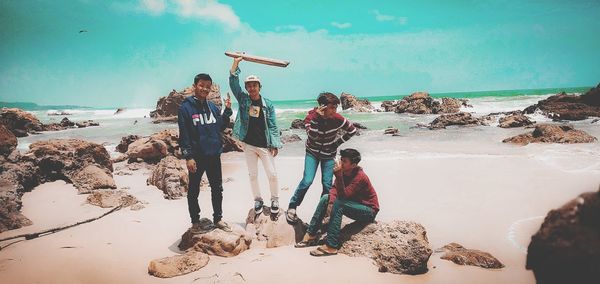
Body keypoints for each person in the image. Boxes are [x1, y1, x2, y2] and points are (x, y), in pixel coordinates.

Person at [286, 92, 357, 223]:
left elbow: (352, 131)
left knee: (327, 185)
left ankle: (322, 213)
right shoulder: (310, 118)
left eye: (336, 108)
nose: (334, 111)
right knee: (307, 180)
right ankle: (292, 206)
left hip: (328, 155)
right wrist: (315, 120)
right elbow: (312, 137)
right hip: (312, 152)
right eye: (331, 108)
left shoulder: (337, 118)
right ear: (322, 107)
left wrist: (336, 143)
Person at [295, 148, 379, 256]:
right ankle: (311, 234)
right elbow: (334, 188)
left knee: (340, 204)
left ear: (353, 165)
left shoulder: (360, 177)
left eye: (344, 161)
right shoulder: (344, 171)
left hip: (369, 210)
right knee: (326, 197)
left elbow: (344, 196)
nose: (341, 163)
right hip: (354, 205)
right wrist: (330, 203)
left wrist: (338, 174)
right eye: (341, 159)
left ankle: (331, 246)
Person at [178, 73, 233, 233]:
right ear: (195, 86)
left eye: (208, 86)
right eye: (202, 85)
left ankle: (218, 219)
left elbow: (220, 126)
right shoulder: (185, 108)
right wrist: (188, 156)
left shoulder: (212, 107)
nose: (205, 89)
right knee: (194, 190)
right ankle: (195, 222)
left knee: (217, 188)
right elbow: (184, 134)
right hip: (197, 156)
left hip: (214, 155)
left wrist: (227, 111)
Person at [229, 56, 283, 215]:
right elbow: (233, 83)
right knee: (253, 175)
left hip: (264, 144)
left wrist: (275, 144)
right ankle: (258, 199)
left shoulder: (268, 104)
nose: (252, 88)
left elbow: (273, 125)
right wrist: (235, 64)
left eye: (254, 85)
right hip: (249, 144)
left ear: (260, 87)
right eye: (249, 86)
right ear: (246, 88)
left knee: (272, 174)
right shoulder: (243, 100)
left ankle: (275, 199)